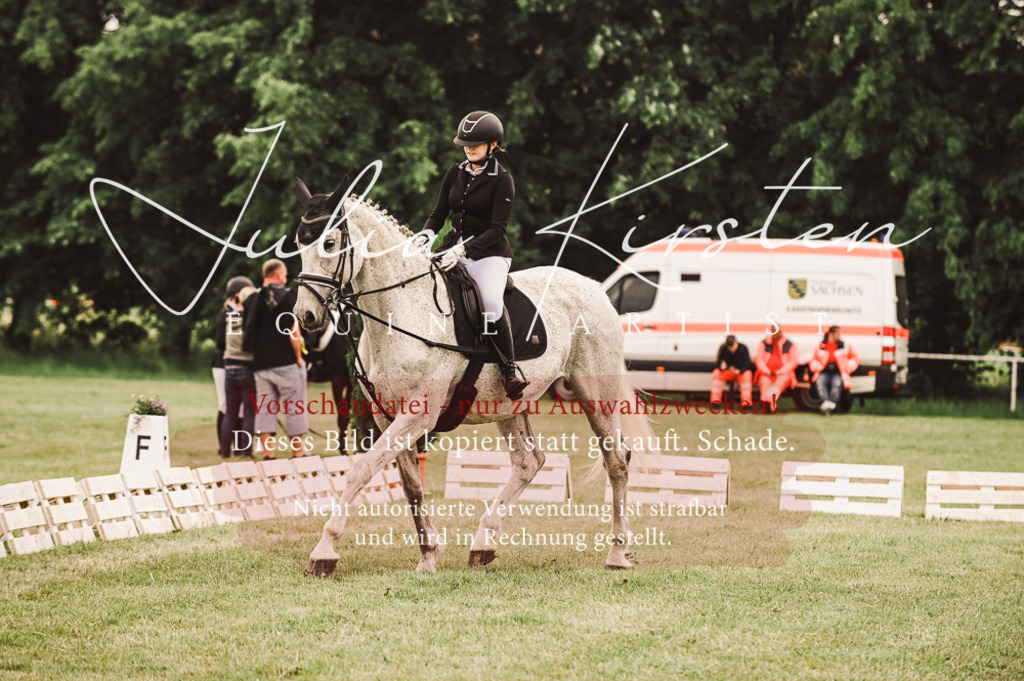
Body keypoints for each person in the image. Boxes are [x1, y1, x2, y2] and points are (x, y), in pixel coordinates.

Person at [421, 110, 529, 401]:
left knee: (491, 301)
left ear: (493, 145)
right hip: (451, 247)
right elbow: (438, 213)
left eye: (476, 143)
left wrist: (463, 250)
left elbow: (497, 229)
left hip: (489, 254)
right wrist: (425, 237)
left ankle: (509, 370)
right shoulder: (455, 173)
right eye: (466, 143)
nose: (469, 148)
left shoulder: (502, 179)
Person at [242, 259, 309, 459]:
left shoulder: (251, 300)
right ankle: (298, 451)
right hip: (287, 362)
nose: (286, 277)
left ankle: (268, 452)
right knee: (294, 407)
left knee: (265, 408)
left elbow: (248, 331)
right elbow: (293, 331)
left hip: (261, 365)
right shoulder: (290, 298)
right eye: (285, 273)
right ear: (279, 274)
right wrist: (299, 357)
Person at [213, 276, 253, 446]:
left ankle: (235, 444)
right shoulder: (226, 314)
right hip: (224, 364)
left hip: (229, 364)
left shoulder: (233, 313)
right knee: (226, 406)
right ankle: (225, 442)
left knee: (237, 408)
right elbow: (220, 342)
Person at [220, 284, 258, 457]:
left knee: (230, 412)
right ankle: (245, 450)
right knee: (250, 413)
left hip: (229, 366)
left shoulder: (231, 316)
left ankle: (225, 450)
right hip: (246, 368)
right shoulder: (250, 318)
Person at [809, 325, 859, 415]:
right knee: (820, 382)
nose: (839, 336)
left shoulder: (844, 345)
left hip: (839, 372)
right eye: (837, 334)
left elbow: (854, 358)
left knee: (836, 384)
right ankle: (825, 402)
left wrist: (849, 367)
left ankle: (831, 404)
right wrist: (816, 367)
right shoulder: (822, 345)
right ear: (831, 334)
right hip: (824, 371)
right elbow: (814, 359)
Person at [754, 326, 799, 413]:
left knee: (777, 385)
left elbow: (793, 361)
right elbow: (759, 359)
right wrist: (767, 371)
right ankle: (769, 407)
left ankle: (765, 401)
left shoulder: (790, 345)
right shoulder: (763, 344)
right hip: (766, 372)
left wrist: (780, 371)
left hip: (784, 373)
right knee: (765, 383)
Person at [710, 335, 754, 407]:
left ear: (736, 342)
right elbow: (718, 363)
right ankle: (715, 402)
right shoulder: (723, 349)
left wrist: (739, 371)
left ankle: (746, 404)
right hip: (728, 372)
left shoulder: (743, 348)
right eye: (729, 347)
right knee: (716, 373)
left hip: (741, 372)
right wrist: (721, 367)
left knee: (747, 374)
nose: (731, 349)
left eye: (733, 346)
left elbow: (748, 364)